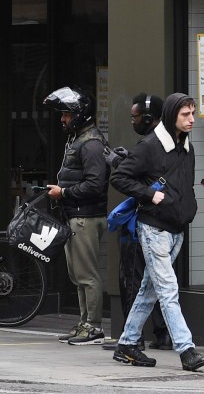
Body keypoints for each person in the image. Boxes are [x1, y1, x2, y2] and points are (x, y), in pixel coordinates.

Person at [110, 93, 204, 372]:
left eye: (193, 114)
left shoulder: (186, 147)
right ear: (171, 116)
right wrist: (149, 195)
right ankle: (186, 350)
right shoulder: (150, 146)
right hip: (154, 227)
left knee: (149, 290)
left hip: (176, 228)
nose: (192, 120)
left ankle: (127, 344)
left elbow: (184, 185)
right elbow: (119, 177)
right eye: (185, 115)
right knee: (168, 289)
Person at [42, 87, 109, 346]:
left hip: (86, 216)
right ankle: (85, 323)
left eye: (67, 114)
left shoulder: (90, 143)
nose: (62, 119)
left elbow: (95, 184)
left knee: (87, 275)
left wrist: (64, 192)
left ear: (79, 114)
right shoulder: (79, 138)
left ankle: (93, 327)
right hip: (76, 215)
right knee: (78, 274)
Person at [103, 93, 170, 352]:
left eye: (135, 117)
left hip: (141, 223)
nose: (133, 121)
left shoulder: (150, 144)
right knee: (158, 281)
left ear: (149, 118)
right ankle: (162, 334)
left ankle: (133, 337)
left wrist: (119, 163)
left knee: (133, 279)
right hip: (165, 224)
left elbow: (135, 180)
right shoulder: (172, 141)